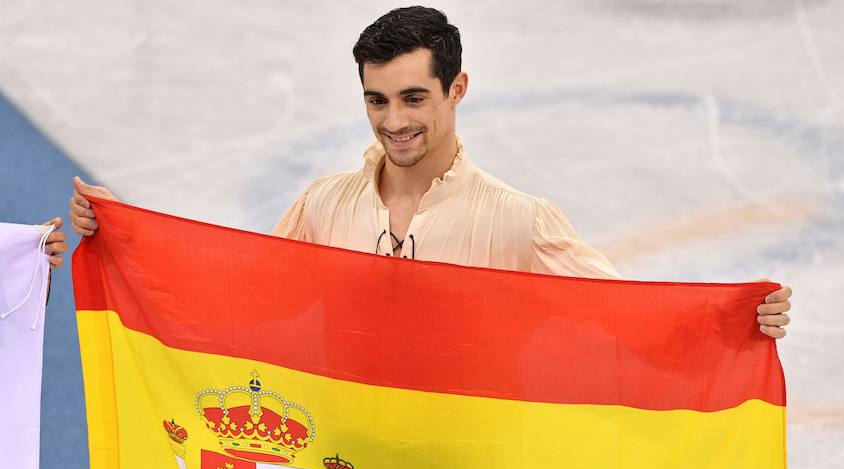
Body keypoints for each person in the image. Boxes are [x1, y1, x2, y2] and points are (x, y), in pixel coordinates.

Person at [68, 6, 791, 338]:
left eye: (414, 97)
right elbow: (242, 295)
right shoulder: (323, 207)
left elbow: (629, 320)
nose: (393, 121)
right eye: (376, 100)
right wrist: (122, 237)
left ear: (457, 89)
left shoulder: (519, 221)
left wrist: (735, 321)